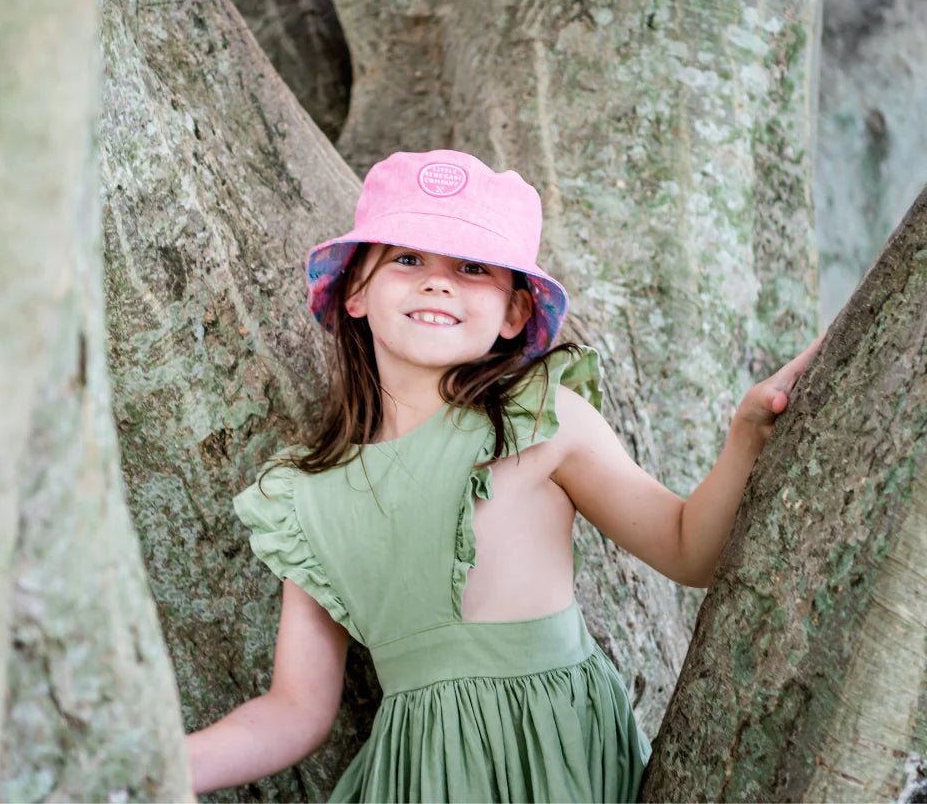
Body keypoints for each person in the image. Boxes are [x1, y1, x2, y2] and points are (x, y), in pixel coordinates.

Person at [187, 149, 818, 803]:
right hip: (419, 779)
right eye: (407, 258)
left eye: (472, 267)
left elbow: (690, 550)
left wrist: (748, 434)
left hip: (557, 758)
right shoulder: (307, 495)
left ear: (515, 313)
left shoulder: (543, 422)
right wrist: (162, 768)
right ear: (355, 291)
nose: (438, 283)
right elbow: (295, 709)